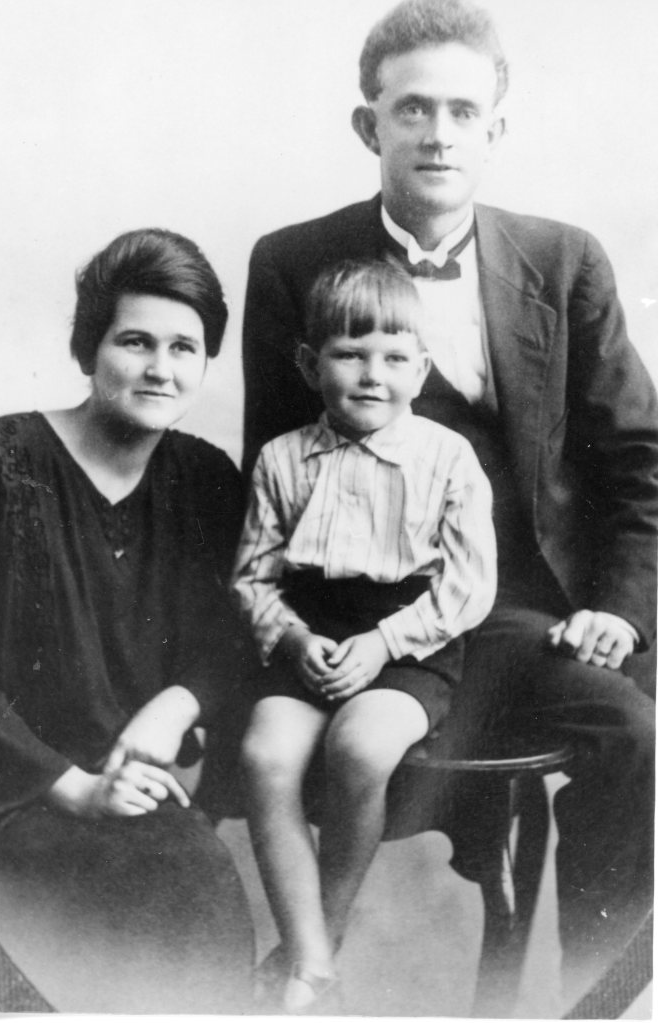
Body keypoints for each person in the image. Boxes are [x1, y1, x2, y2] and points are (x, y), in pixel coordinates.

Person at [241, 0, 657, 998]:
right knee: (296, 751)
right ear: (368, 125)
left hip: (522, 612)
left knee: (637, 741)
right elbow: (273, 464)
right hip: (366, 616)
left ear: (495, 130)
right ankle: (310, 962)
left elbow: (639, 460)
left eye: (462, 112)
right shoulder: (292, 261)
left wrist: (618, 610)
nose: (437, 133)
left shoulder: (564, 261)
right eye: (412, 108)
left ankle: (599, 991)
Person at [0, 228, 256, 1013]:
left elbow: (230, 637)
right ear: (87, 348)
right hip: (2, 791)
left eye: (184, 347)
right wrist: (68, 788)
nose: (161, 368)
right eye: (135, 341)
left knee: (198, 894)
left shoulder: (205, 478)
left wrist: (180, 701)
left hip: (132, 786)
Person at [233, 259, 496, 1013]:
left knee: (361, 744)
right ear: (311, 365)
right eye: (350, 354)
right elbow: (252, 577)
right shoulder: (283, 458)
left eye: (394, 356)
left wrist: (384, 643)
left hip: (411, 640)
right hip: (309, 632)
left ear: (422, 367)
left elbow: (468, 585)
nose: (373, 374)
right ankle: (310, 954)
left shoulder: (448, 457)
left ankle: (324, 940)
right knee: (265, 752)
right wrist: (289, 640)